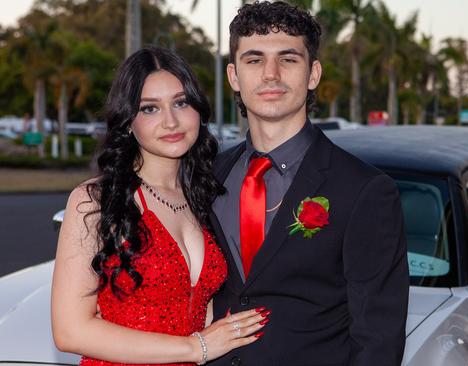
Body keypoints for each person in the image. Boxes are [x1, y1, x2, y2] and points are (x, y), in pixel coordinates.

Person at [209, 2, 409, 365]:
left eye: (288, 59)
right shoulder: (207, 177)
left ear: (313, 73)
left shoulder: (365, 190)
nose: (270, 74)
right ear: (234, 76)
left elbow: (378, 338)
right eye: (254, 60)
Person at [51, 46, 268, 365]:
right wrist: (196, 348)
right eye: (150, 109)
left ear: (198, 110)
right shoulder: (96, 200)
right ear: (127, 121)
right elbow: (70, 331)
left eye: (181, 103)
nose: (171, 121)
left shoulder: (206, 194)